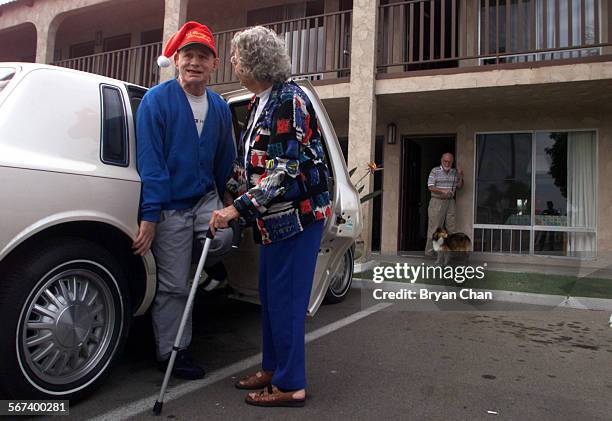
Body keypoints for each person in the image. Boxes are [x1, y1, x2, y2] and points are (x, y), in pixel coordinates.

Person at [209, 26, 331, 407]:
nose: (232, 62)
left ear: (255, 61)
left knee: (288, 303)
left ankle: (291, 384)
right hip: (273, 221)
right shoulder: (260, 100)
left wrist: (236, 208)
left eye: (237, 56)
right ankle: (273, 367)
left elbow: (285, 172)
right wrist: (230, 184)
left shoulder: (289, 99)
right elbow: (255, 164)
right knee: (270, 298)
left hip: (297, 218)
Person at [132, 21, 236, 379]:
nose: (195, 62)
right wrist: (150, 214)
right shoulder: (156, 101)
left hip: (204, 197)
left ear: (214, 64)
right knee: (174, 287)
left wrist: (225, 198)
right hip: (170, 205)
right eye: (188, 55)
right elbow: (151, 162)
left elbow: (226, 154)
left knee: (223, 237)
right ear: (176, 60)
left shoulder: (220, 106)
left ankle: (204, 267)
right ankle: (172, 353)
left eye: (203, 57)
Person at [425, 152, 464, 257]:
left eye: (449, 161)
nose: (447, 163)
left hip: (450, 201)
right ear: (441, 160)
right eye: (445, 161)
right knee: (435, 227)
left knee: (451, 227)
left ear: (452, 161)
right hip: (437, 201)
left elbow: (460, 186)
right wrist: (443, 191)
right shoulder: (435, 171)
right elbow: (430, 186)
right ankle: (430, 251)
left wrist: (460, 176)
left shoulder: (454, 172)